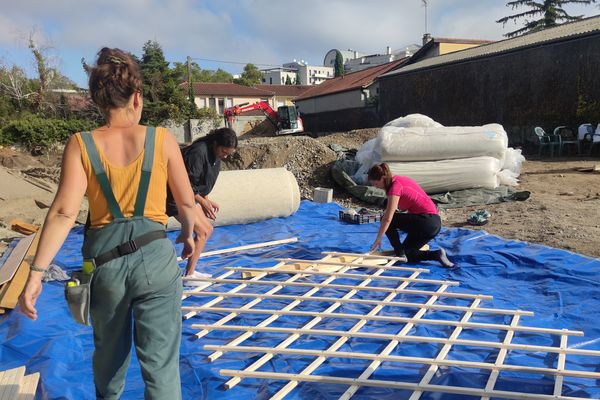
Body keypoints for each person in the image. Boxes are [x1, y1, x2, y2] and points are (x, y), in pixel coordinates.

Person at [18, 47, 196, 399]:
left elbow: (64, 213)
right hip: (157, 259)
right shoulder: (162, 139)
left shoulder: (81, 145)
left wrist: (36, 274)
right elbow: (187, 203)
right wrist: (189, 236)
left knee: (109, 365)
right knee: (161, 370)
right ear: (137, 97)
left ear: (98, 101)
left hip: (107, 266)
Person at [166, 127, 238, 275]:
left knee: (208, 229)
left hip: (189, 197)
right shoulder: (198, 152)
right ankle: (190, 273)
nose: (225, 156)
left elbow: (201, 182)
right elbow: (185, 183)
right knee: (202, 231)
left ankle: (190, 270)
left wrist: (206, 199)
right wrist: (202, 202)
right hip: (175, 197)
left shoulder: (215, 156)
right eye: (224, 152)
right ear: (215, 144)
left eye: (228, 154)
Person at [368, 163, 454, 268]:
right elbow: (409, 205)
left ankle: (399, 252)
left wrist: (378, 238)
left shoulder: (394, 187)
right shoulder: (402, 180)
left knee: (387, 218)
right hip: (434, 224)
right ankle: (436, 255)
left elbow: (387, 219)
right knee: (408, 253)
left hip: (426, 221)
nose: (376, 187)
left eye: (376, 184)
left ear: (382, 178)